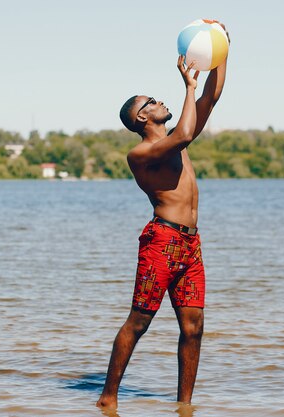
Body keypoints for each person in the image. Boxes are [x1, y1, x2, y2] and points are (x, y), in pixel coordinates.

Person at [97, 27, 228, 410]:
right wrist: (187, 85)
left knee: (194, 327)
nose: (159, 102)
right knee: (139, 322)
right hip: (163, 243)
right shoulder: (142, 154)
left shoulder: (174, 138)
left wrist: (222, 51)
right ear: (141, 118)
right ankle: (108, 398)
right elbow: (186, 132)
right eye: (151, 102)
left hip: (191, 244)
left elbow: (212, 97)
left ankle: (183, 406)